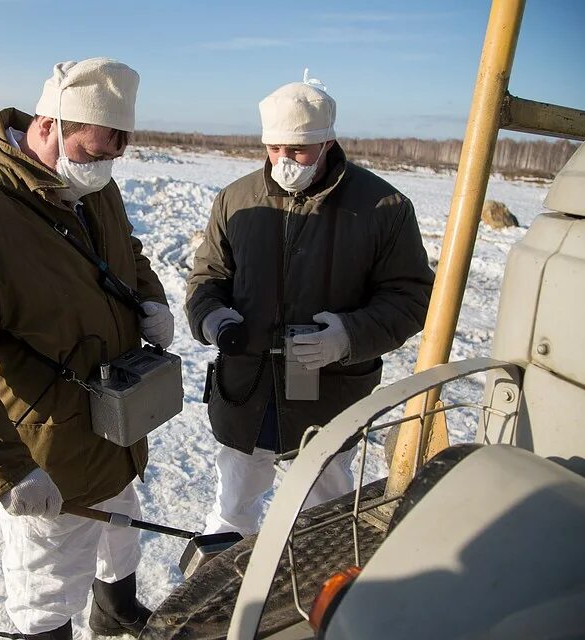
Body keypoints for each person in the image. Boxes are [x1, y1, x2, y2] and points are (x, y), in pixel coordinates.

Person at [0, 58, 174, 640]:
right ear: (51, 124)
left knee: (120, 522)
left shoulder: (89, 184)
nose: (104, 167)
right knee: (47, 584)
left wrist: (149, 300)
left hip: (116, 423)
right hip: (49, 448)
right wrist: (3, 470)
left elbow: (127, 252)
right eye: (96, 152)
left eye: (115, 154)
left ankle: (116, 609)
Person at [185, 73, 434, 536]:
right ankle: (229, 589)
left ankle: (311, 597)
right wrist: (211, 317)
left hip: (328, 394)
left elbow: (412, 295)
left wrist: (348, 336)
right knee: (232, 505)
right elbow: (207, 278)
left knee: (324, 516)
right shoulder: (236, 199)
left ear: (326, 142)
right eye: (274, 148)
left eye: (297, 150)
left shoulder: (384, 206)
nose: (284, 160)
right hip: (247, 389)